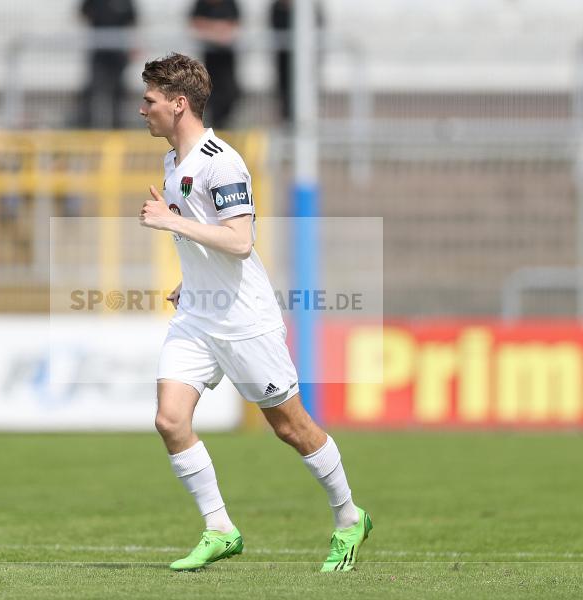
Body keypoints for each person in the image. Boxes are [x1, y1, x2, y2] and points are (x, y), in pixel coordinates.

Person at [137, 53, 372, 572]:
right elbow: (208, 237)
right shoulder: (174, 162)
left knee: (292, 428)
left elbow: (241, 241)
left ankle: (349, 517)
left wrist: (169, 224)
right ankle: (220, 528)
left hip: (244, 320)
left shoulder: (222, 161)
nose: (141, 109)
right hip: (199, 316)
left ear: (178, 104)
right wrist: (189, 279)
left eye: (150, 100)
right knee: (169, 419)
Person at [75, 0, 137, 128]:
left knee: (118, 93)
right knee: (94, 91)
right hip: (98, 54)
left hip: (119, 55)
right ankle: (87, 128)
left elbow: (132, 22)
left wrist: (133, 44)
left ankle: (118, 129)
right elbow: (82, 13)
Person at [269, 0, 323, 124]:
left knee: (306, 96)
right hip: (285, 65)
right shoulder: (277, 7)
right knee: (286, 97)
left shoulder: (310, 8)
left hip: (306, 67)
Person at [189, 0, 240, 129]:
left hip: (227, 60)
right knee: (210, 92)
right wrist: (218, 29)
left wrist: (211, 28)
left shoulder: (230, 3)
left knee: (230, 92)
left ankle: (224, 125)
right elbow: (196, 23)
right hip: (210, 61)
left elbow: (233, 26)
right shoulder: (201, 4)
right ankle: (215, 125)